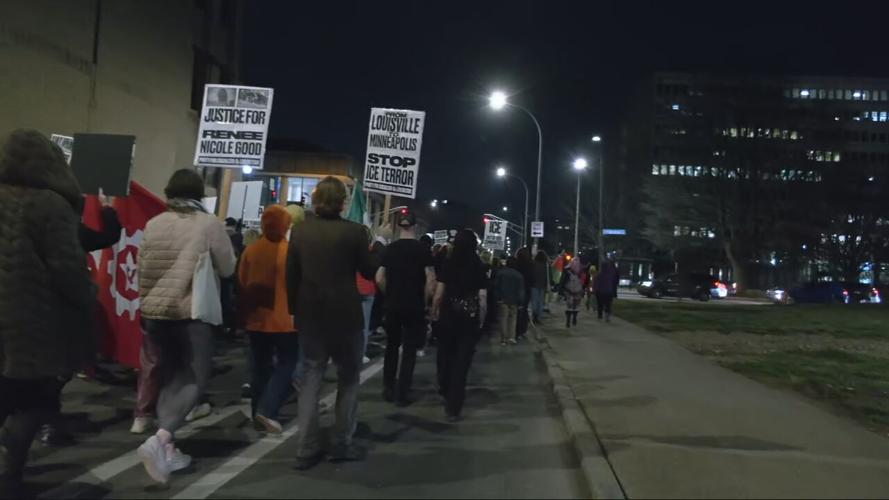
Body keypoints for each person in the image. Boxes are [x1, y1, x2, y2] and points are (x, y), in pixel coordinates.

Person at [0, 130, 96, 497]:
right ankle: (10, 478)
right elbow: (67, 270)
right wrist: (88, 298)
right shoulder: (50, 205)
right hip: (33, 323)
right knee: (34, 399)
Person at [136, 168, 236, 484]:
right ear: (197, 194)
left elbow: (141, 267)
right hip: (191, 311)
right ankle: (162, 437)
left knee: (169, 374)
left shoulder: (153, 223)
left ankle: (168, 450)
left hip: (155, 312)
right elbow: (228, 266)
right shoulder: (207, 224)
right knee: (194, 376)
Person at [286, 176, 377, 470]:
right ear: (342, 202)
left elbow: (292, 275)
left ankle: (306, 446)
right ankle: (342, 442)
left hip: (310, 314)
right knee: (348, 378)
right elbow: (368, 270)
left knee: (311, 378)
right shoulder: (354, 233)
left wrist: (293, 309)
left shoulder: (300, 232)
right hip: (345, 314)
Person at [238, 205, 298, 434]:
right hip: (284, 320)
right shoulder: (289, 251)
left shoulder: (251, 251)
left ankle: (257, 412)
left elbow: (242, 283)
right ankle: (267, 408)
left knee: (259, 367)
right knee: (287, 364)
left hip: (256, 319)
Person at [376, 210, 436, 406]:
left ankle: (388, 387)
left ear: (399, 227)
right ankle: (403, 391)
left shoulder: (390, 249)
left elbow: (379, 278)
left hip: (393, 303)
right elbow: (430, 279)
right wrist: (426, 300)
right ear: (414, 227)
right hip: (414, 304)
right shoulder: (422, 250)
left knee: (391, 346)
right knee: (409, 349)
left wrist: (388, 293)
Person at [432, 229, 488, 422]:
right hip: (468, 318)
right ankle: (454, 407)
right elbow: (482, 297)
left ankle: (445, 387)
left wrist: (434, 311)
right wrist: (481, 319)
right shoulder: (479, 265)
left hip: (448, 315)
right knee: (462, 362)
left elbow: (439, 291)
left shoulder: (449, 263)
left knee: (445, 354)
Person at [356, 226, 377, 364]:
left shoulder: (350, 251)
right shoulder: (371, 252)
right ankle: (360, 354)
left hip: (352, 289)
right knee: (364, 325)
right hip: (368, 290)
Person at [494, 257, 526, 346]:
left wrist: (497, 298)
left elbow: (496, 287)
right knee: (513, 319)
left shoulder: (501, 273)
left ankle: (503, 338)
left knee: (503, 318)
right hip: (514, 300)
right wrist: (521, 302)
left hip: (503, 299)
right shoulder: (519, 275)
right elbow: (521, 290)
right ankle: (511, 337)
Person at [514, 247, 534, 340]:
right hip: (526, 290)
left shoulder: (516, 264)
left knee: (514, 310)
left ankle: (514, 330)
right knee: (524, 310)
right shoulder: (530, 265)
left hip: (515, 289)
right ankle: (521, 330)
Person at [561, 258, 585, 328]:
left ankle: (569, 320)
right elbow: (583, 282)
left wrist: (562, 290)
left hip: (570, 291)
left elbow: (563, 281)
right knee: (575, 306)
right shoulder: (580, 271)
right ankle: (573, 319)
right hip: (576, 291)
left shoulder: (567, 270)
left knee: (570, 306)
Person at [530, 251, 549, 323]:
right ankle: (539, 316)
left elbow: (531, 274)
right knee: (540, 301)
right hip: (542, 285)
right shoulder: (545, 265)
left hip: (534, 284)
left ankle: (534, 314)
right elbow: (547, 276)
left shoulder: (533, 264)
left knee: (534, 300)